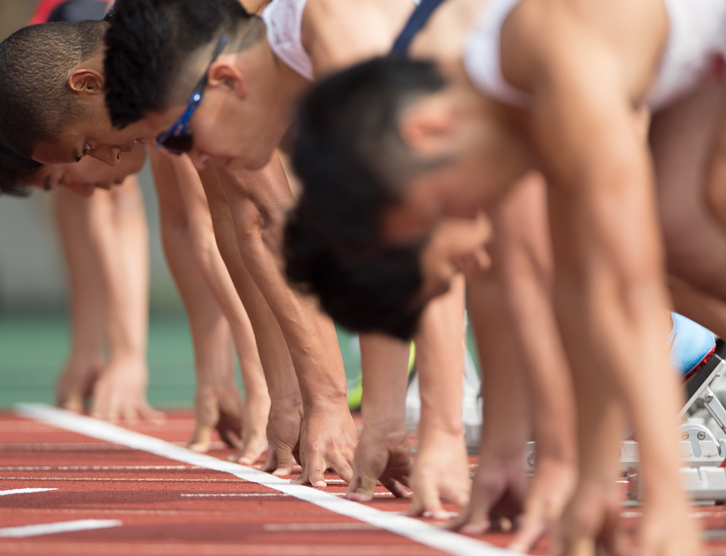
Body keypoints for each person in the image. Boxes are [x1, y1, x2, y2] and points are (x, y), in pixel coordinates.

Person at [281, 0, 726, 553]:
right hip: (701, 59)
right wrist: (587, 474)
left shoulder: (554, 59)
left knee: (666, 234)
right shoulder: (516, 100)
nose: (470, 256)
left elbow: (626, 292)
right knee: (680, 226)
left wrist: (664, 499)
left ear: (426, 132)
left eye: (447, 217)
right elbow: (576, 288)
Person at [103, 0, 479, 513]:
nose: (197, 160)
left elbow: (434, 232)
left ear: (228, 79)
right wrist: (386, 419)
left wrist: (442, 432)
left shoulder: (339, 35)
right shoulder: (302, 46)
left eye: (181, 138)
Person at [0, 8, 357, 482]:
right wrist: (286, 398)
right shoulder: (140, 62)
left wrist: (324, 400)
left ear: (87, 84)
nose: (107, 156)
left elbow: (264, 215)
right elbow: (228, 212)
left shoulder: (164, 47)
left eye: (84, 147)